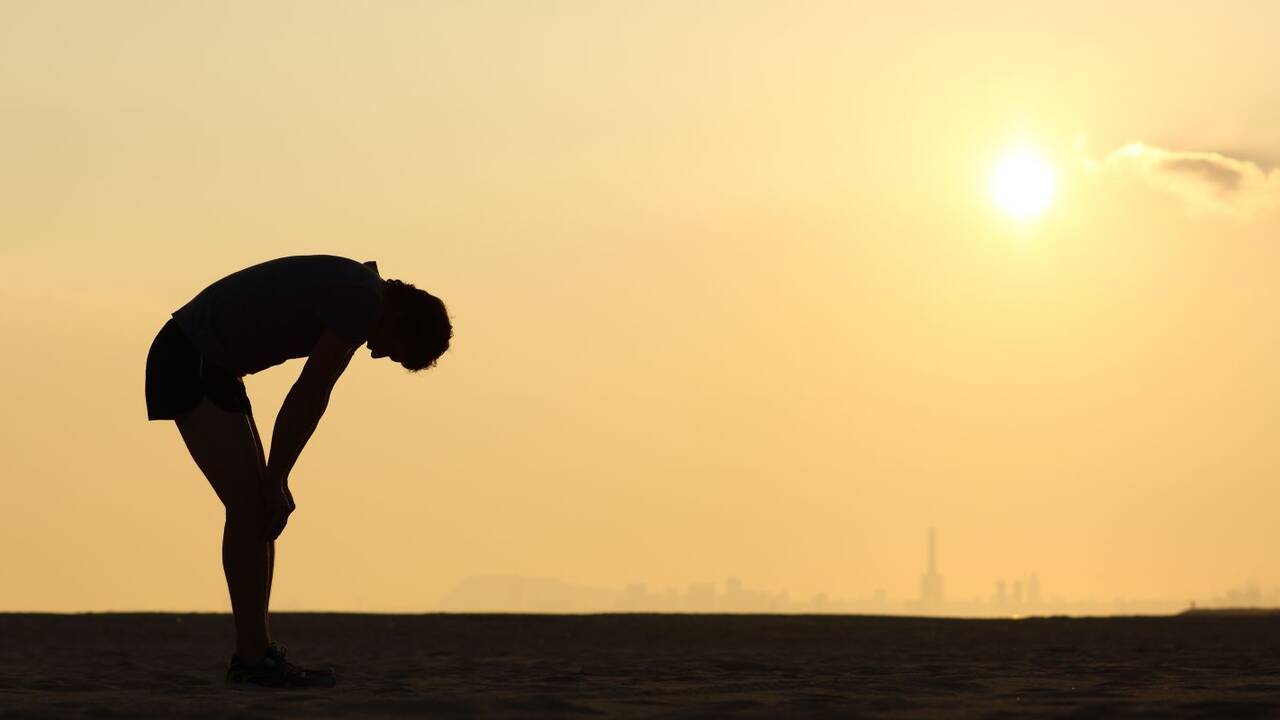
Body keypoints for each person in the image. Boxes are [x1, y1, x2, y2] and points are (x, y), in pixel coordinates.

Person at [144, 254, 452, 689]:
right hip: (188, 357)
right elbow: (309, 393)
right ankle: (252, 658)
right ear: (403, 319)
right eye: (395, 352)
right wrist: (276, 479)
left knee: (258, 511)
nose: (378, 354)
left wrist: (276, 479)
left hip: (211, 365)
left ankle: (257, 652)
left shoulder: (362, 293)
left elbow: (312, 396)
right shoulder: (363, 300)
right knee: (250, 506)